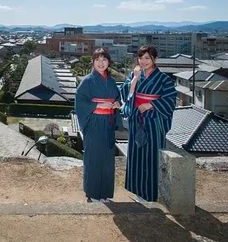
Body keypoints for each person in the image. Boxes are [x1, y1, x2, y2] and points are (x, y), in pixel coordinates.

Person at [121, 45, 176, 202]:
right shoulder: (135, 75)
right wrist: (134, 79)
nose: (143, 61)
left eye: (147, 58)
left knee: (151, 157)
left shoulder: (164, 79)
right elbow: (125, 94)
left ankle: (151, 194)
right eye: (140, 58)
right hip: (137, 120)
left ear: (155, 59)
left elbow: (170, 100)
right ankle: (138, 191)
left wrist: (151, 104)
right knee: (136, 156)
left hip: (153, 122)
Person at [75, 48, 122, 202]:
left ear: (109, 62)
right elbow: (80, 102)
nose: (101, 63)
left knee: (107, 159)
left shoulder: (111, 81)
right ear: (93, 62)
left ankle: (105, 193)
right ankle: (93, 193)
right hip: (94, 122)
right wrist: (98, 105)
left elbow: (118, 97)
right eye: (97, 60)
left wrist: (117, 103)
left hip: (108, 123)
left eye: (104, 60)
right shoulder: (87, 81)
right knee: (94, 158)